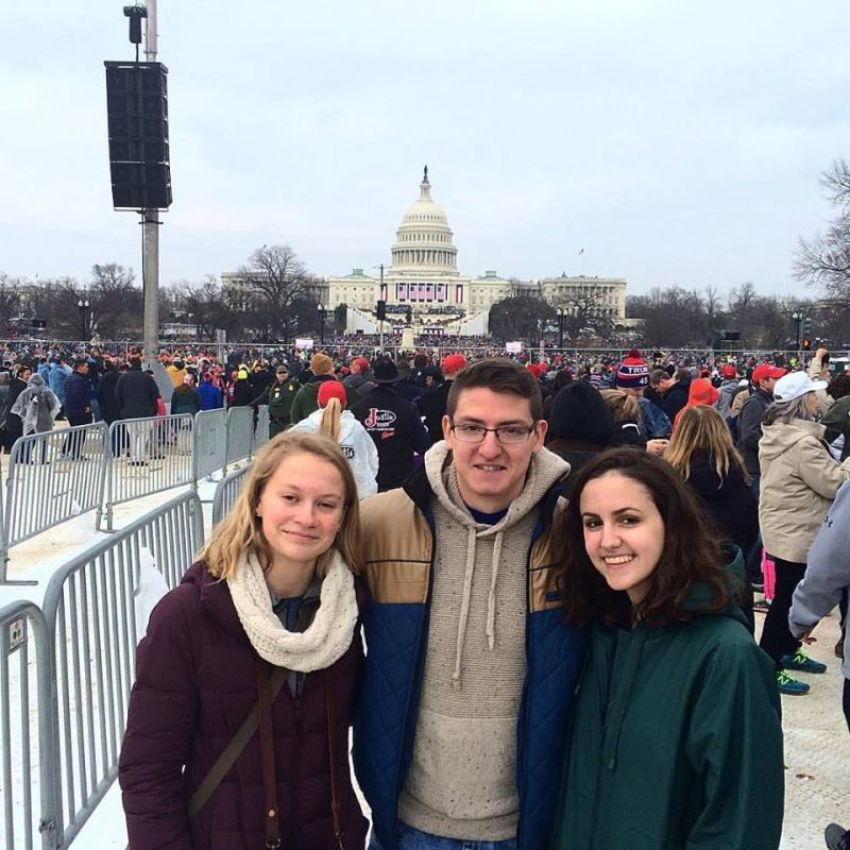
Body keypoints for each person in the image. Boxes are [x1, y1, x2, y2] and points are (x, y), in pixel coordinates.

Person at [355, 358, 585, 850]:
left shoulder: (576, 534)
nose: (489, 448)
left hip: (527, 825)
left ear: (539, 434)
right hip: (407, 820)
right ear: (446, 429)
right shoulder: (380, 523)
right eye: (473, 428)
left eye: (510, 430)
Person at [119, 432, 369, 850]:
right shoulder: (188, 615)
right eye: (290, 498)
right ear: (257, 501)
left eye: (325, 504)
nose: (307, 518)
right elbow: (149, 767)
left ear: (342, 517)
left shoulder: (348, 613)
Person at [551, 448, 784, 850]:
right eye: (593, 523)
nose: (608, 540)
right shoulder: (596, 631)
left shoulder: (726, 657)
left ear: (670, 524)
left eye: (628, 519)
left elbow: (738, 821)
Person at [758, 371, 850, 695]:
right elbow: (834, 483)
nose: (818, 399)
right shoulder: (802, 443)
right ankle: (770, 665)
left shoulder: (778, 433)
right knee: (786, 603)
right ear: (803, 400)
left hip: (785, 528)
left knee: (786, 597)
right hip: (796, 534)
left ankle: (788, 650)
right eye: (813, 393)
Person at [351, 357, 429, 493]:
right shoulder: (407, 409)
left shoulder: (357, 409)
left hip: (366, 482)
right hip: (399, 481)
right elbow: (423, 445)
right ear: (396, 381)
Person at [291, 380, 379, 499]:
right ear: (345, 403)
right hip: (352, 501)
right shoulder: (356, 430)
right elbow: (372, 462)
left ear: (318, 402)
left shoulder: (302, 429)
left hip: (311, 502)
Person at [10, 373, 60, 462]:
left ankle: (27, 457)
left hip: (29, 420)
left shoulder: (26, 392)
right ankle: (43, 459)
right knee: (44, 440)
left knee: (29, 439)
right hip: (44, 419)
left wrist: (25, 415)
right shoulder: (47, 392)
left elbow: (18, 407)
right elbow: (53, 405)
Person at [252, 363, 299, 437]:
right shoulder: (272, 387)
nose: (282, 374)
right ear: (276, 374)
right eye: (280, 373)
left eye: (284, 372)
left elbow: (302, 395)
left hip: (289, 422)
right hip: (275, 423)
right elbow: (263, 397)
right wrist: (251, 404)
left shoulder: (294, 385)